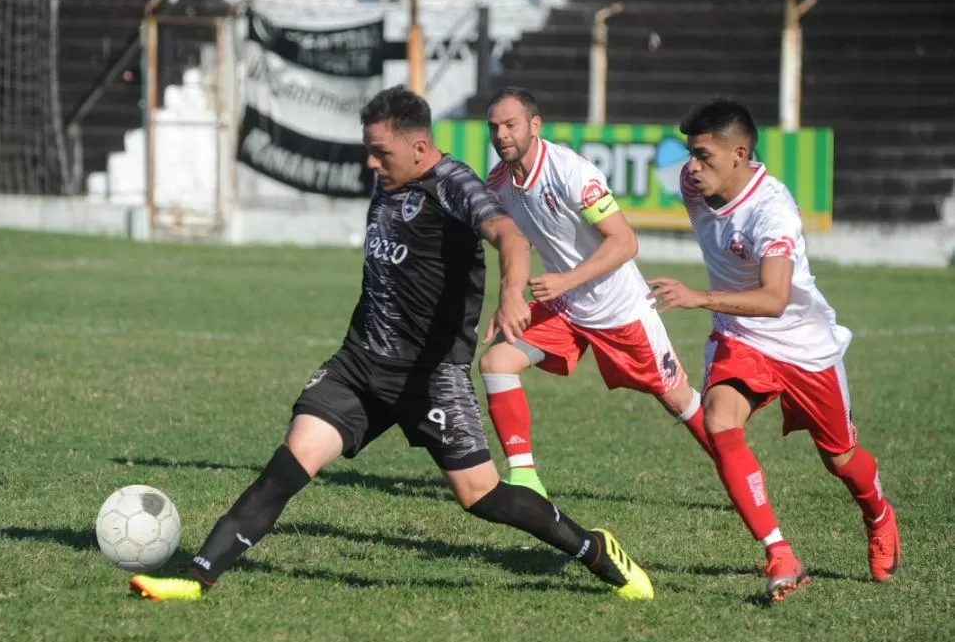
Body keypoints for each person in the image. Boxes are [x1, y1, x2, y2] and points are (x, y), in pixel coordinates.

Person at [129, 85, 653, 602]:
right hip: (358, 366)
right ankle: (196, 578)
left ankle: (592, 548)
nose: (372, 165)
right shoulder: (390, 176)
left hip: (430, 377)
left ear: (420, 148)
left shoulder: (454, 185)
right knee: (287, 466)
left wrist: (512, 293)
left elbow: (510, 236)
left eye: (382, 152)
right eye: (369, 151)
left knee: (481, 496)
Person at [647, 98, 901, 601]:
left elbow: (775, 298)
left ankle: (878, 513)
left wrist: (697, 296)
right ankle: (779, 553)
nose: (692, 169)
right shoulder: (692, 186)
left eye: (704, 156)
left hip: (803, 346)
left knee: (841, 458)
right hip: (740, 338)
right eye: (689, 156)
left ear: (739, 154)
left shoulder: (773, 212)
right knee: (719, 422)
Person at [481, 87, 714, 498]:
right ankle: (525, 479)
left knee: (678, 400)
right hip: (566, 309)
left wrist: (565, 280)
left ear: (535, 126)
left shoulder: (572, 173)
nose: (501, 135)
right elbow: (514, 243)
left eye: (510, 125)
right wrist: (511, 295)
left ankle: (735, 467)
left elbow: (625, 242)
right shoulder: (500, 182)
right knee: (497, 362)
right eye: (494, 126)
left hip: (620, 311)